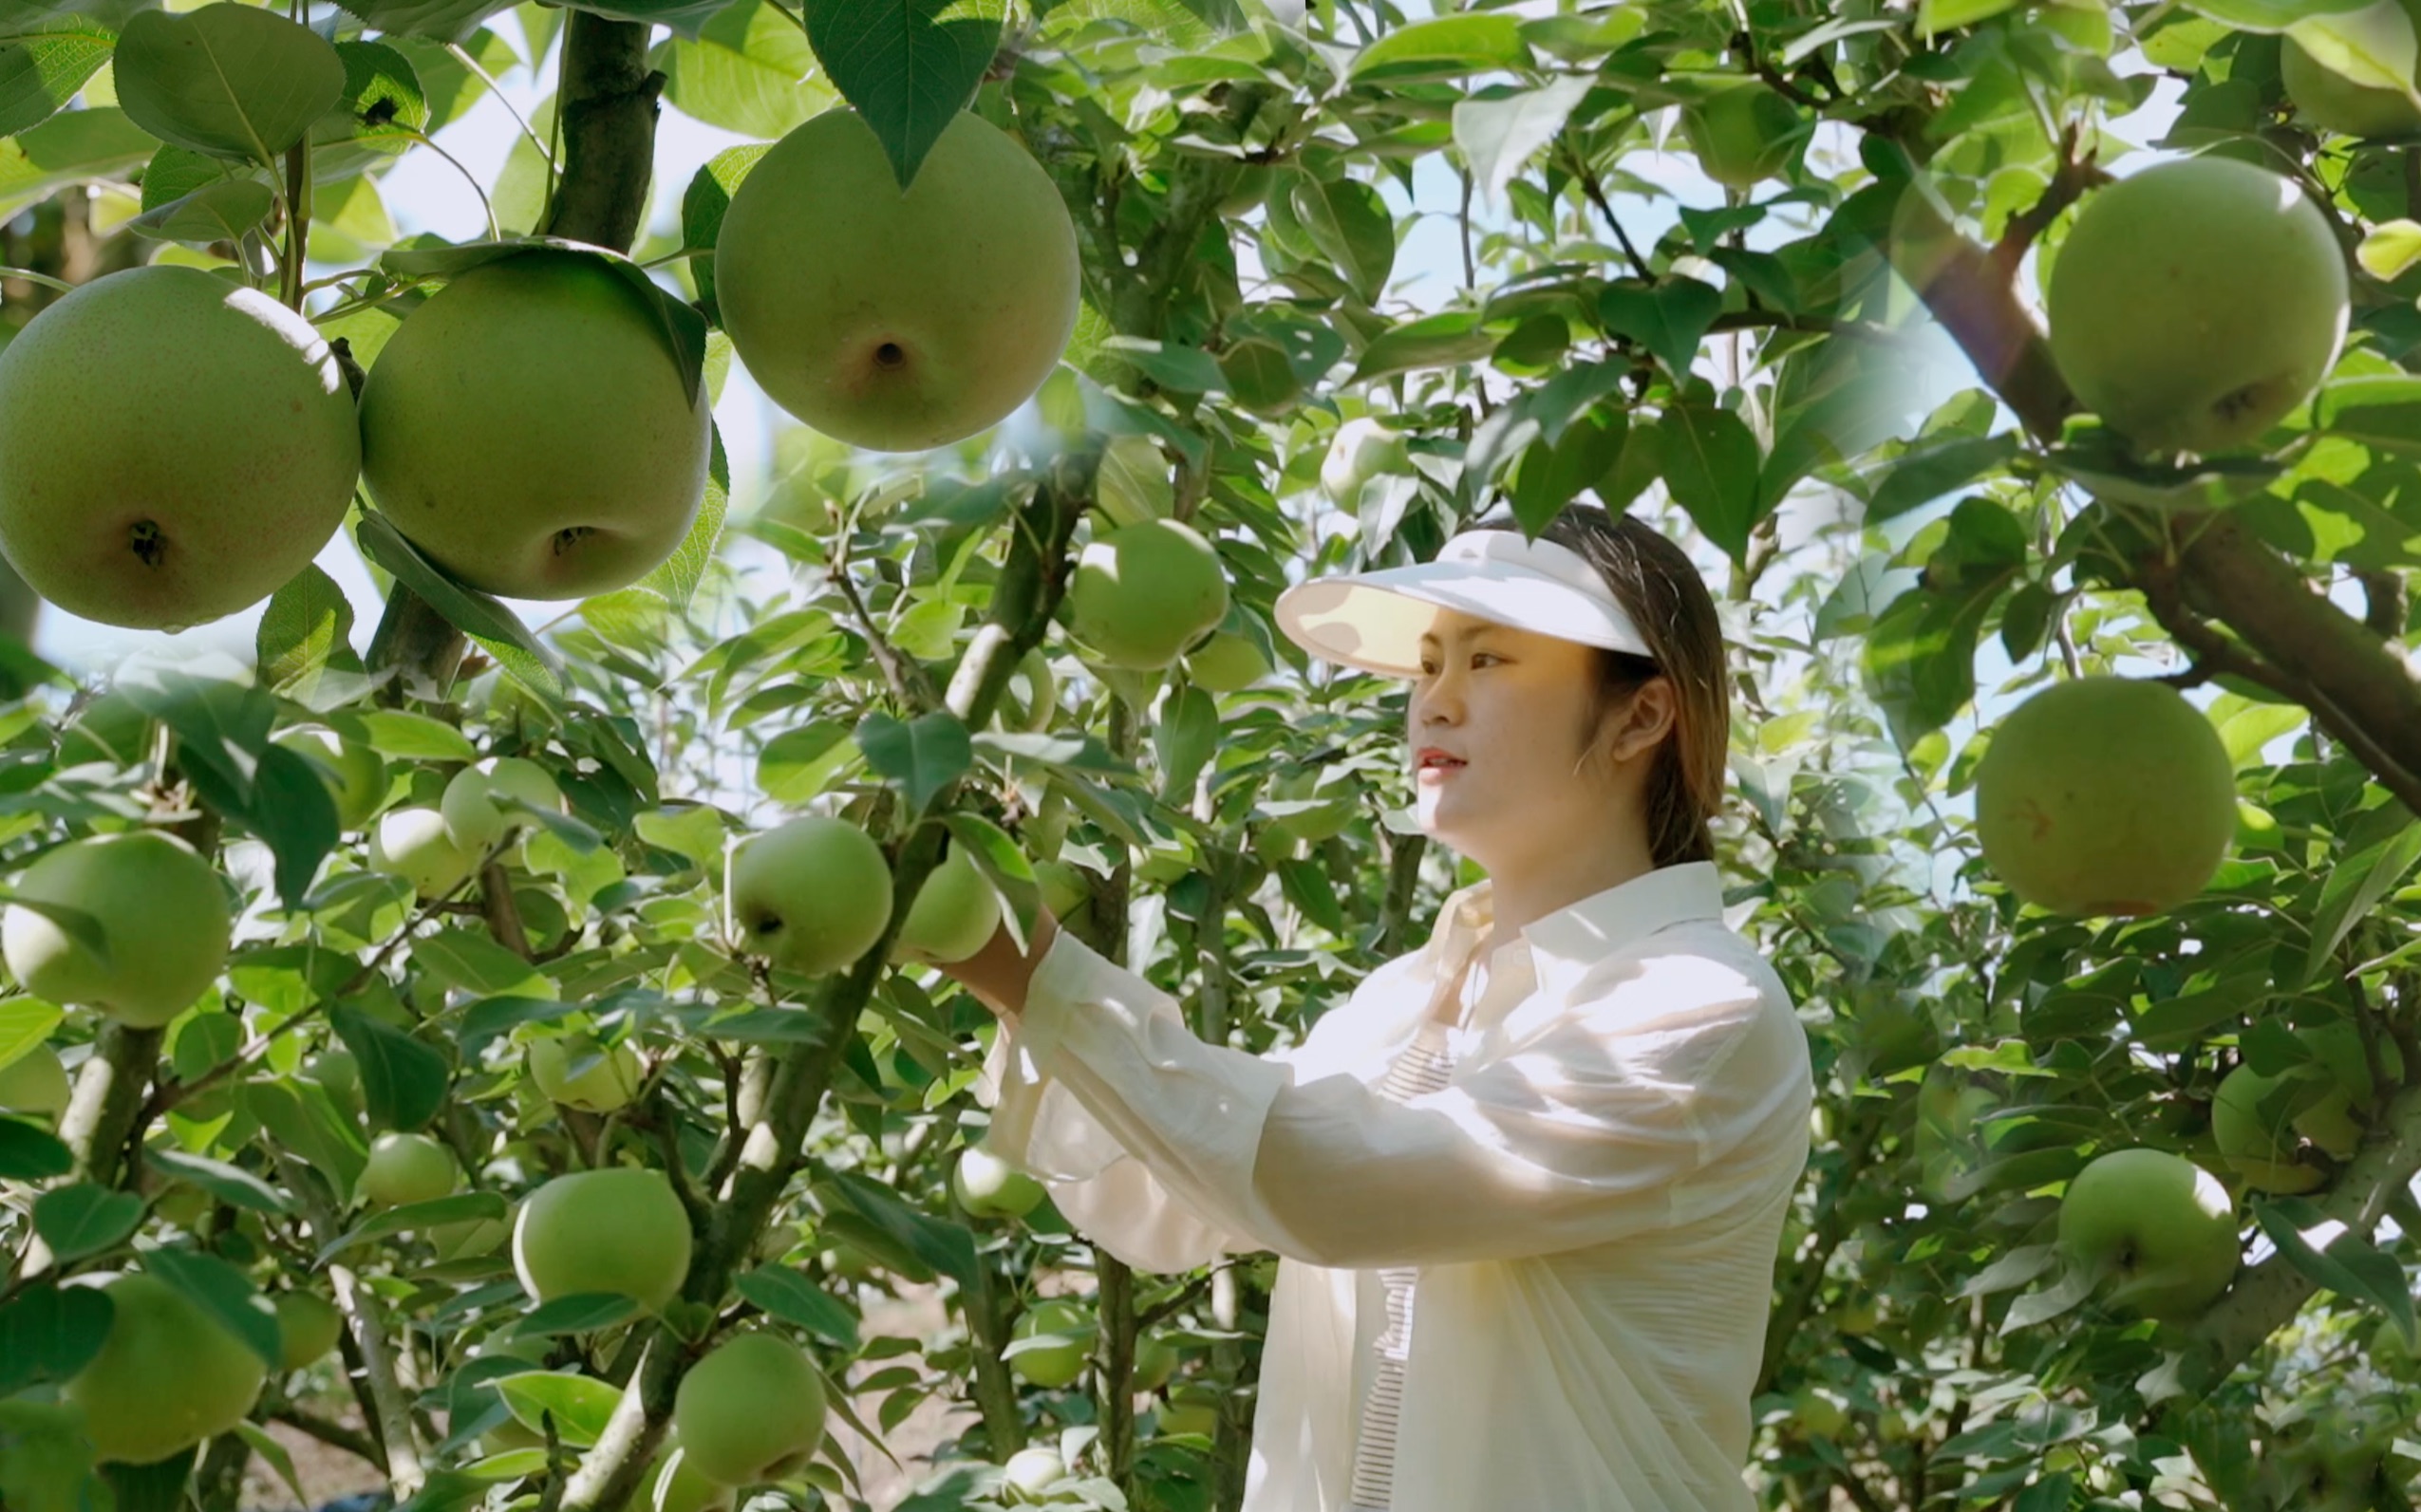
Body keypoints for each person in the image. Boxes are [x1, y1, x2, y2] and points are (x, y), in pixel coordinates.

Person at [938, 503, 1816, 1512]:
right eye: (1429, 664)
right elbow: (1166, 1205)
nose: (1433, 704)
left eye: (1486, 663)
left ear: (1641, 717)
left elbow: (1332, 1186)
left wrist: (1036, 971)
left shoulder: (1701, 1008)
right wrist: (1002, 963)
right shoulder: (1407, 1001)